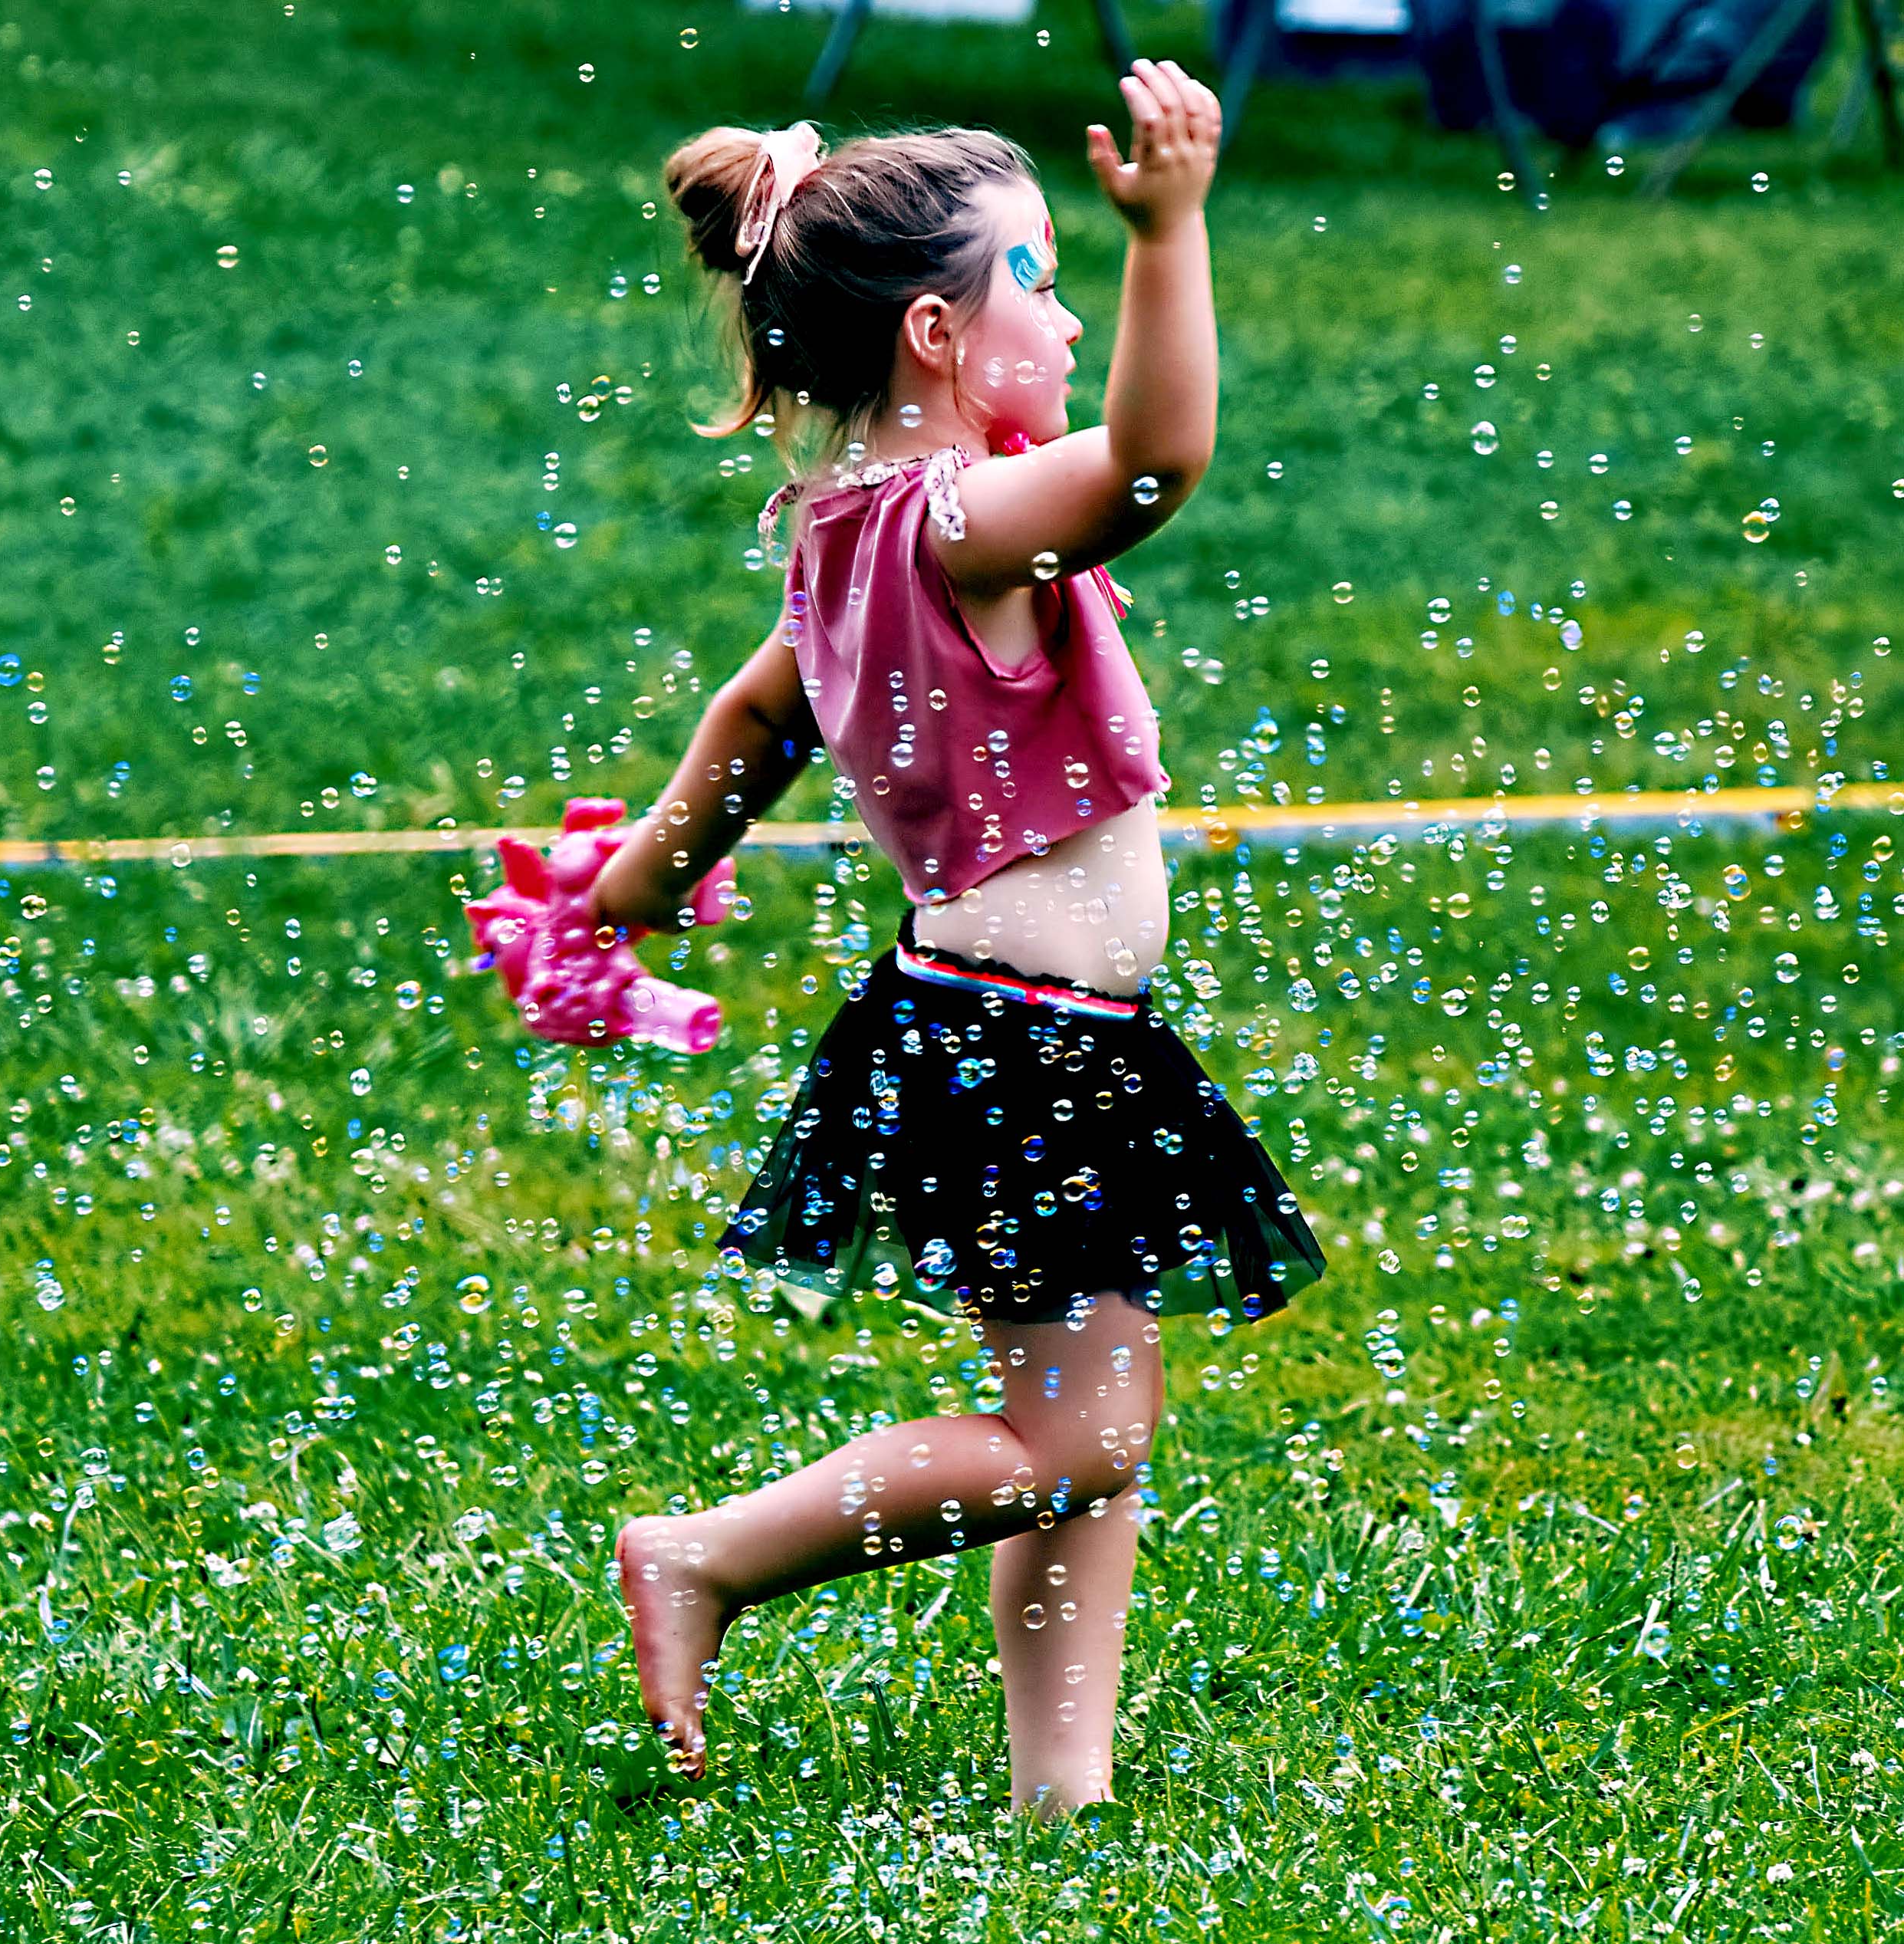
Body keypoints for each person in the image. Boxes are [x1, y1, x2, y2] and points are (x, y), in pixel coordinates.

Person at [588, 60, 1327, 1821]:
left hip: (985, 1028)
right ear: (934, 330)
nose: (1065, 315)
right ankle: (708, 1553)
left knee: (1081, 1431)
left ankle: (1056, 1794)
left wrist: (632, 883)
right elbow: (1154, 463)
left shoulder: (835, 536)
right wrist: (1172, 233)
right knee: (1082, 1433)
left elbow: (752, 721)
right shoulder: (955, 525)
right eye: (1041, 279)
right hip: (1028, 1040)